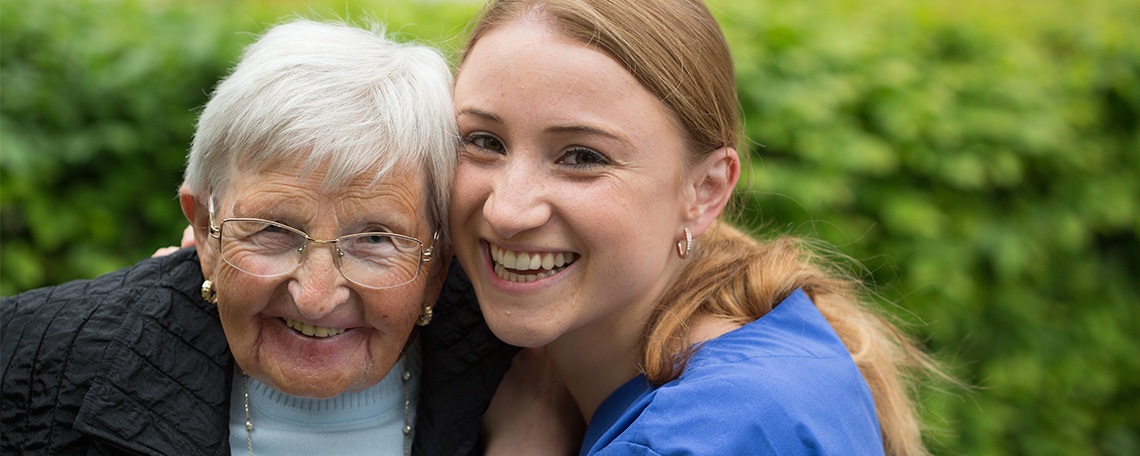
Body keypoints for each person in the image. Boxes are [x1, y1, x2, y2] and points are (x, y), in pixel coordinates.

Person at [0, 19, 516, 456]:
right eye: (273, 230)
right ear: (205, 231)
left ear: (437, 269)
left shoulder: (518, 372)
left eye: (376, 240)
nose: (315, 296)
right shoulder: (26, 362)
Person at [450, 0, 939, 454]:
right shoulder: (762, 347)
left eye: (582, 156)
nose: (507, 211)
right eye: (484, 141)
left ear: (704, 191)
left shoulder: (701, 436)